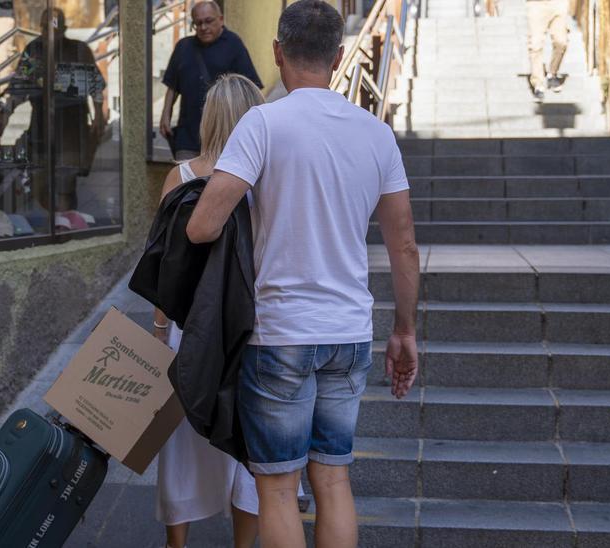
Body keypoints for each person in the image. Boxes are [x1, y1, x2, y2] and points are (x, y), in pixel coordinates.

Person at [185, 2, 421, 547]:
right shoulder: (377, 134)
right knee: (334, 478)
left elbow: (201, 227)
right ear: (339, 58)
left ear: (276, 53)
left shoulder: (263, 123)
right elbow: (404, 244)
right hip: (348, 331)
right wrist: (404, 330)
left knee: (276, 487)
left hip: (280, 333)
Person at [152, 74, 267, 548]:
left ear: (208, 117)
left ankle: (176, 543)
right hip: (248, 328)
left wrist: (159, 330)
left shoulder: (179, 178)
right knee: (248, 445)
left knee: (180, 445)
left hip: (189, 328)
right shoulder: (266, 180)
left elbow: (162, 264)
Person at [15, 7, 107, 214]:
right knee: (40, 181)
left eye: (54, 25)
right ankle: (52, 225)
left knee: (66, 183)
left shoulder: (79, 50)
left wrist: (99, 115)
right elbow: (20, 84)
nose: (49, 31)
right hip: (41, 126)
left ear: (63, 28)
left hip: (72, 128)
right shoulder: (34, 51)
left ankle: (65, 225)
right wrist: (6, 112)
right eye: (44, 26)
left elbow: (96, 86)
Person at [159, 1, 263, 161]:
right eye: (198, 23)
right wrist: (165, 115)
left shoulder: (234, 45)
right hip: (188, 135)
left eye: (208, 21)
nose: (203, 27)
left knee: (215, 183)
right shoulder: (183, 47)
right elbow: (172, 85)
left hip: (223, 135)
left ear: (220, 19)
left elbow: (250, 88)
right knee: (187, 182)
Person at [526, 0, 570, 99]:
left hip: (559, 3)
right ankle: (538, 83)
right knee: (535, 44)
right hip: (536, 4)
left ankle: (552, 73)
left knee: (561, 42)